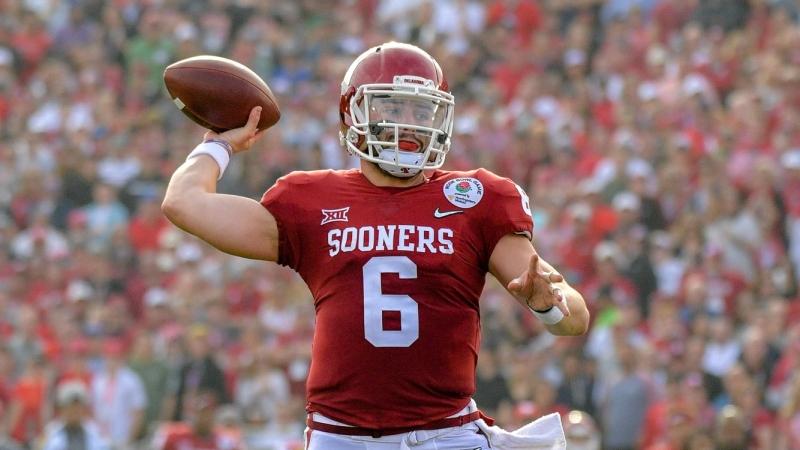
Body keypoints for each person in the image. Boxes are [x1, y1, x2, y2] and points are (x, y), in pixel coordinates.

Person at [162, 42, 589, 449]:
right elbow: (184, 203)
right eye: (393, 108)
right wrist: (219, 144)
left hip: (446, 433)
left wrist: (548, 306)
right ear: (353, 115)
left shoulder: (475, 198)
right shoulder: (310, 199)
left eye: (421, 110)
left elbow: (575, 318)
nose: (409, 123)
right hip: (340, 435)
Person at [40, 381, 110, 450]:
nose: (75, 412)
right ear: (61, 409)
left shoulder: (96, 433)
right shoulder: (50, 434)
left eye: (78, 407)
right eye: (70, 407)